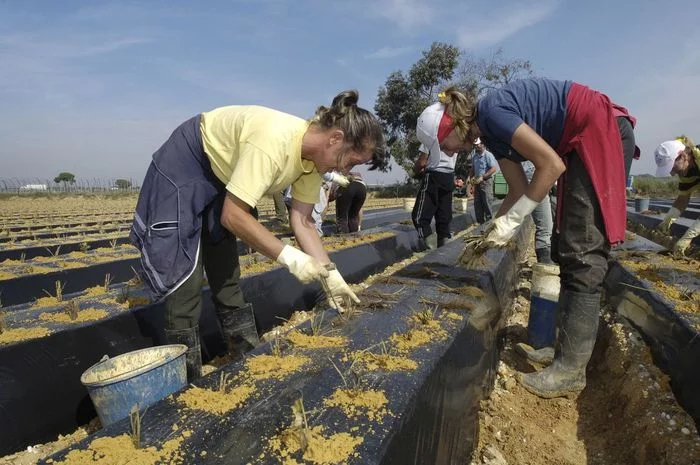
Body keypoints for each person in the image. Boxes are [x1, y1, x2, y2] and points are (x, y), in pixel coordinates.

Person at [130, 90, 387, 380]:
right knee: (184, 278)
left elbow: (302, 221)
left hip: (224, 174)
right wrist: (289, 256)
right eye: (351, 161)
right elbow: (232, 215)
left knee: (226, 271)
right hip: (189, 161)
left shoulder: (314, 163)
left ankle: (244, 355)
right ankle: (184, 380)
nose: (346, 170)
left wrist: (330, 274)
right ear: (335, 138)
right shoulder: (274, 142)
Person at [415, 80, 638, 398]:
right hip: (581, 139)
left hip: (601, 131)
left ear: (454, 125)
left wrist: (515, 220)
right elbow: (518, 190)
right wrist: (493, 230)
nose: (449, 152)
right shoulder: (492, 135)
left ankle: (571, 370)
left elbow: (551, 166)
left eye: (445, 144)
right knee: (567, 247)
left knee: (583, 250)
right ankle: (563, 353)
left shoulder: (492, 113)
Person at [654, 136, 700, 256]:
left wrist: (687, 237)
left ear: (683, 156)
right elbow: (683, 198)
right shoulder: (686, 170)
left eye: (673, 167)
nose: (672, 172)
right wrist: (667, 220)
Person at [411, 137, 459, 249]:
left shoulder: (431, 135)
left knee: (419, 216)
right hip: (448, 176)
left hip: (434, 175)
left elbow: (422, 162)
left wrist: (414, 170)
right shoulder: (456, 137)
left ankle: (431, 248)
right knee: (444, 215)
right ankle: (443, 248)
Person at [522, 160, 554, 263]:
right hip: (537, 182)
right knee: (545, 228)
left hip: (548, 182)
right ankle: (545, 266)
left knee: (552, 226)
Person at [468, 139, 498, 224]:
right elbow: (473, 169)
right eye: (475, 145)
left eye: (478, 144)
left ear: (483, 144)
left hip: (486, 182)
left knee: (487, 201)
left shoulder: (488, 155)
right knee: (477, 203)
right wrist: (469, 178)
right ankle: (480, 222)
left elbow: (493, 168)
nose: (476, 146)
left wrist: (483, 177)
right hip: (477, 182)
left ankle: (489, 222)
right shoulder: (475, 156)